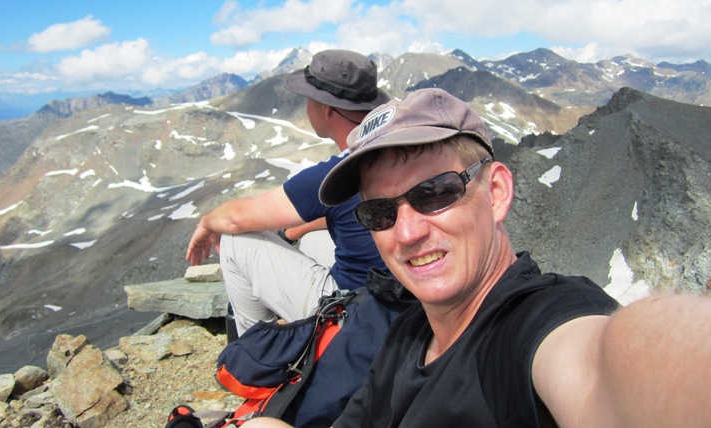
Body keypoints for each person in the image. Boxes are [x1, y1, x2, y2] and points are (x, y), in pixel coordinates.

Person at [243, 88, 711, 427]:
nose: (406, 232)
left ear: (497, 192)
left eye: (435, 193)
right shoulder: (407, 334)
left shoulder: (534, 325)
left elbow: (608, 369)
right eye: (379, 211)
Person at [186, 49, 391, 335]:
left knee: (236, 241)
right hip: (394, 302)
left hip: (354, 316)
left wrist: (206, 221)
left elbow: (235, 218)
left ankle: (255, 354)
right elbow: (350, 213)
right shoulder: (393, 149)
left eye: (308, 98)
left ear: (326, 108)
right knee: (310, 238)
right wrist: (295, 231)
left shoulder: (337, 171)